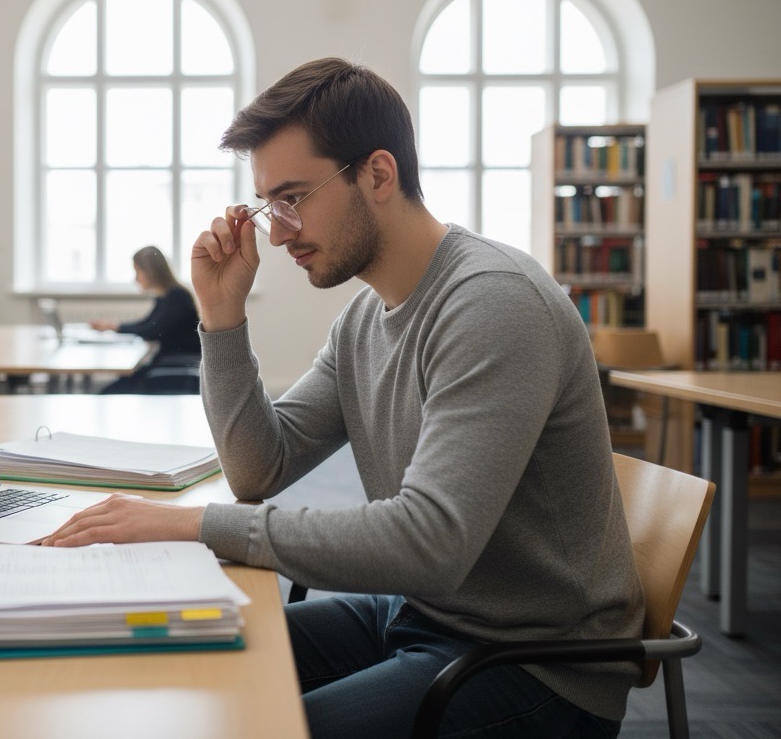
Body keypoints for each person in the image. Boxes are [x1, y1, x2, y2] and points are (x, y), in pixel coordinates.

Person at [42, 57, 644, 737]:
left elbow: (430, 543)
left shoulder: (493, 303)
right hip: (423, 612)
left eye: (293, 199)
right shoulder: (364, 320)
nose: (277, 233)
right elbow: (259, 469)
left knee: (258, 726)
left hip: (531, 662)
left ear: (378, 175)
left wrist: (194, 524)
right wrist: (221, 318)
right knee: (178, 660)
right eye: (268, 206)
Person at [90, 246, 201, 394]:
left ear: (150, 271)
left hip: (171, 367)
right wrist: (114, 326)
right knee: (112, 389)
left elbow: (152, 330)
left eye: (137, 271)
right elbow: (146, 324)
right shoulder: (166, 296)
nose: (135, 278)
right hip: (163, 364)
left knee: (107, 393)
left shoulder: (177, 296)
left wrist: (116, 327)